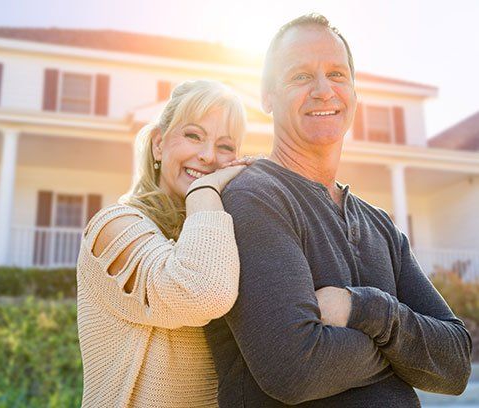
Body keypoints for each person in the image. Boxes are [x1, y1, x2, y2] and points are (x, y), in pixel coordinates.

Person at [205, 13, 472, 407]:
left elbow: (456, 364)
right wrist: (406, 355)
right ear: (266, 96)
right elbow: (295, 369)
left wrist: (366, 309)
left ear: (354, 92)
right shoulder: (256, 198)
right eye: (300, 76)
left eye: (337, 74)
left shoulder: (380, 225)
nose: (323, 90)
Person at [76, 80, 249, 407]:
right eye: (194, 136)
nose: (208, 156)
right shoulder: (113, 227)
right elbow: (203, 293)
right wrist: (205, 192)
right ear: (158, 144)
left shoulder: (222, 236)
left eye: (225, 146)